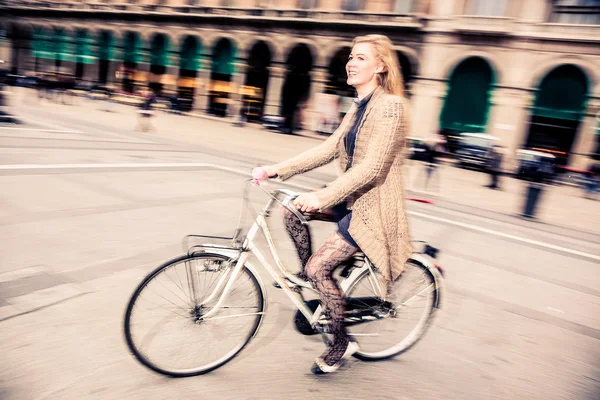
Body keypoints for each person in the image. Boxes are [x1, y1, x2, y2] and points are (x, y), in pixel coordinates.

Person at [255, 34, 412, 375]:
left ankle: (341, 343)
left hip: (373, 206)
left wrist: (321, 196)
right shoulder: (358, 106)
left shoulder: (393, 108)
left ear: (381, 66)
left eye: (360, 58)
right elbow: (327, 149)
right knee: (293, 210)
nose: (351, 63)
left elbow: (372, 167)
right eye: (351, 56)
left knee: (318, 268)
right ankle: (314, 279)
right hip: (350, 195)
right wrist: (274, 169)